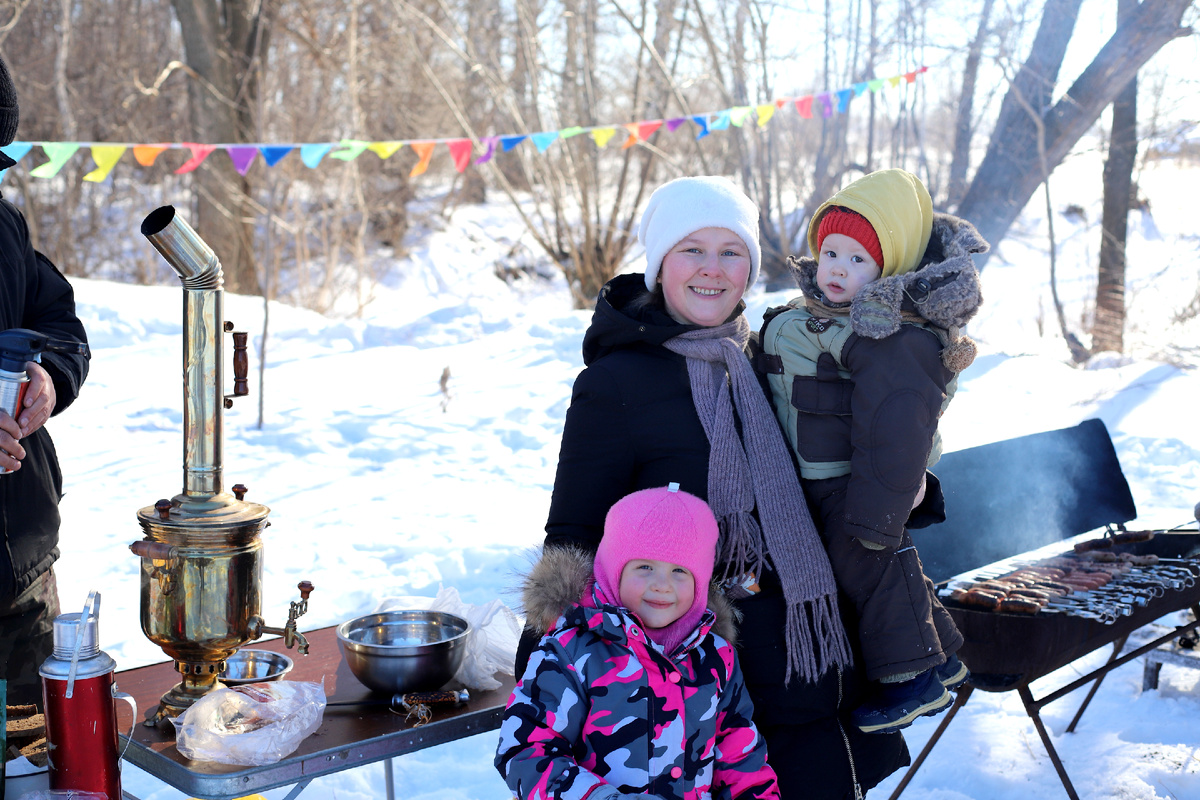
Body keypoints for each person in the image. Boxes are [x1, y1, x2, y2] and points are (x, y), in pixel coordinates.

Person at [515, 175, 910, 799]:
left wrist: (910, 488)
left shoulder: (764, 356)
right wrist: (545, 675)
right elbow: (574, 539)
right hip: (701, 692)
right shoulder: (616, 384)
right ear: (659, 264)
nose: (712, 269)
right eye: (691, 249)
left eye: (732, 252)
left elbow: (825, 469)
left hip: (813, 653)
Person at [758, 168, 987, 734]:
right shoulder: (822, 315)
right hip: (819, 474)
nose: (837, 267)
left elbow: (897, 428)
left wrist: (877, 512)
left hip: (852, 481)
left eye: (858, 260)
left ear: (890, 268)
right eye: (831, 251)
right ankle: (945, 655)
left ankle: (910, 680)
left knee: (868, 571)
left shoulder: (888, 334)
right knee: (884, 570)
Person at [497, 484, 780, 800]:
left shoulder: (714, 657)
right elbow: (525, 750)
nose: (662, 585)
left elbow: (739, 753)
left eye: (679, 571)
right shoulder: (571, 652)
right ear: (613, 569)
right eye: (644, 567)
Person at [0, 51, 91, 707]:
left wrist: (49, 375)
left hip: (19, 571)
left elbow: (57, 316)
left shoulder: (3, 224)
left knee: (36, 766)